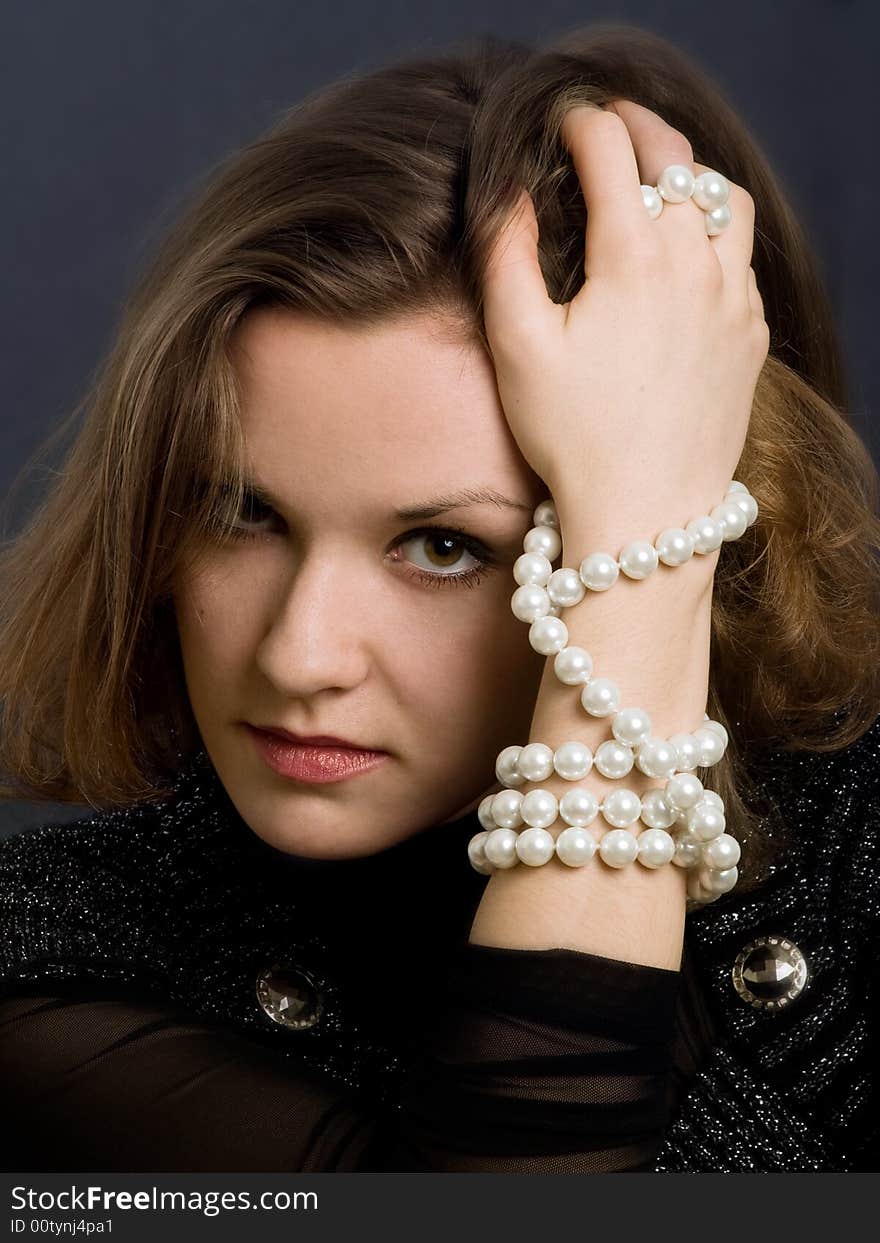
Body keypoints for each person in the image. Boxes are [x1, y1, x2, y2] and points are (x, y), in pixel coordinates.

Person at [0, 25, 878, 1174]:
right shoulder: (49, 967)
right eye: (240, 512)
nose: (301, 654)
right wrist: (643, 557)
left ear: (718, 515)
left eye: (444, 545)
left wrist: (648, 520)